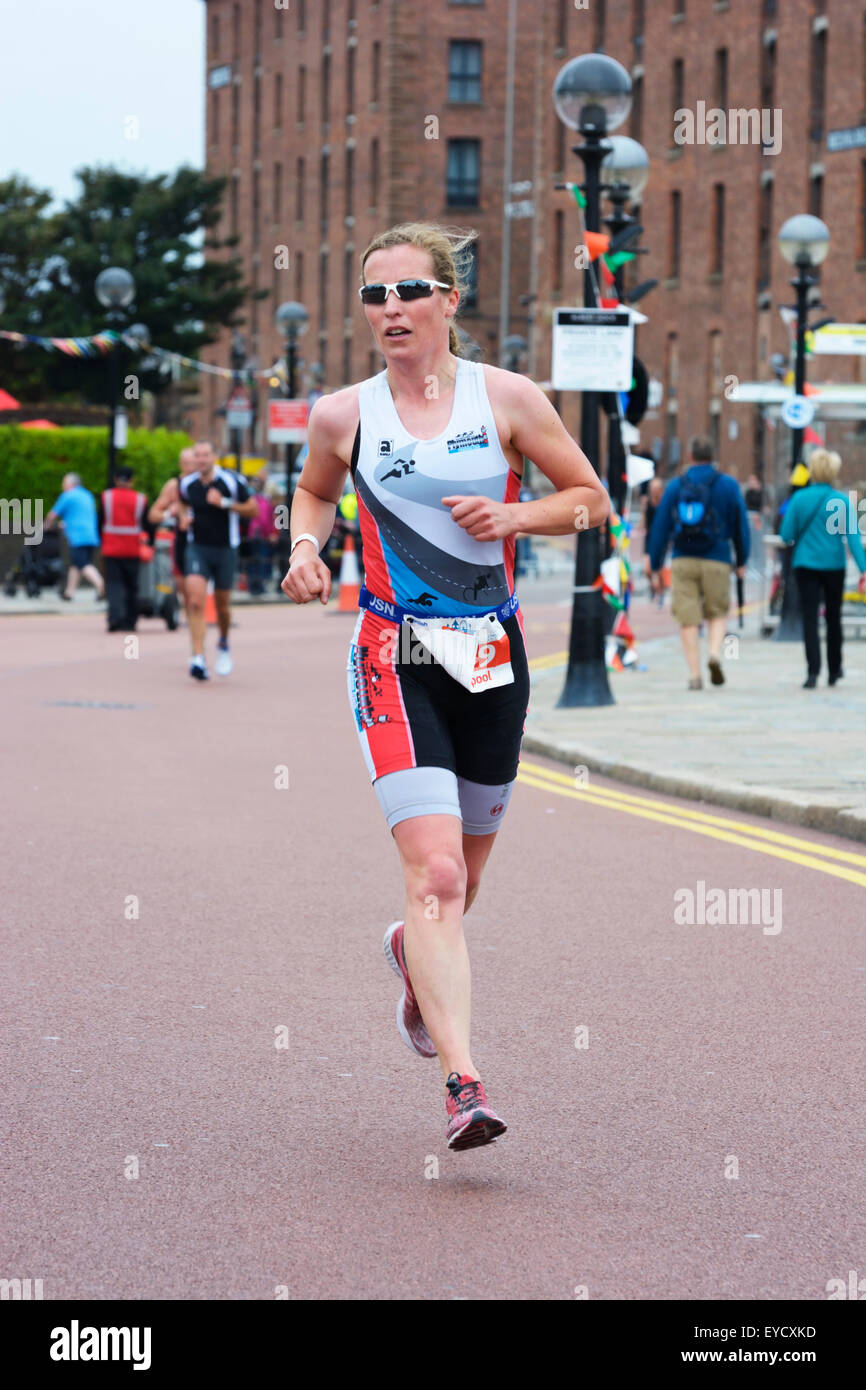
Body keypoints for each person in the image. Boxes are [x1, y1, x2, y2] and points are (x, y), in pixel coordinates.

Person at [280, 221, 609, 1151]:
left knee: (462, 884)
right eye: (374, 295)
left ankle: (409, 956)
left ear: (449, 301)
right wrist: (307, 543)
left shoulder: (506, 398)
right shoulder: (344, 414)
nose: (390, 310)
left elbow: (591, 499)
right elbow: (311, 491)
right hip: (395, 652)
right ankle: (465, 1084)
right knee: (433, 874)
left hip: (492, 656)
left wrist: (515, 512)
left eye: (409, 291)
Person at [648, 435, 750, 690]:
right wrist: (742, 558)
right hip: (717, 557)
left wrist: (656, 561)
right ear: (713, 456)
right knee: (717, 613)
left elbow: (660, 526)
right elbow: (741, 524)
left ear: (691, 456)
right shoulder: (728, 485)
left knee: (688, 618)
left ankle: (694, 674)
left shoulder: (676, 485)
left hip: (684, 558)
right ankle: (714, 655)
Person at [779, 448, 866, 688]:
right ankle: (835, 669)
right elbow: (854, 538)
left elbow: (786, 534)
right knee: (833, 618)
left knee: (810, 617)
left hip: (806, 564)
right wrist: (864, 569)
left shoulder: (799, 499)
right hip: (834, 565)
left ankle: (812, 671)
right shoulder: (841, 501)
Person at [177, 440, 258, 680]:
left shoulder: (231, 481)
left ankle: (223, 642)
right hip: (197, 548)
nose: (201, 459)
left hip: (225, 549)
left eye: (205, 455)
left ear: (214, 456)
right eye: (197, 455)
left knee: (222, 606)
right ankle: (197, 657)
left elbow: (253, 510)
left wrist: (223, 503)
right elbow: (182, 502)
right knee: (194, 601)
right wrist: (183, 517)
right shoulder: (187, 483)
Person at [148, 446, 197, 617]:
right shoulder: (174, 485)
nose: (190, 467)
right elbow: (153, 514)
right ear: (180, 464)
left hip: (205, 538)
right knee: (181, 579)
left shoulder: (206, 482)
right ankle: (189, 611)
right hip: (182, 538)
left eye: (193, 462)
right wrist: (170, 512)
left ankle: (201, 613)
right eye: (186, 463)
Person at [99, 465, 149, 632]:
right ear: (132, 480)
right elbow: (148, 526)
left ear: (115, 479)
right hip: (132, 549)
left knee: (113, 585)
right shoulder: (141, 499)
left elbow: (100, 522)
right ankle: (130, 621)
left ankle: (114, 618)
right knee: (131, 586)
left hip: (111, 548)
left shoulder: (106, 497)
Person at [45, 473, 104, 602]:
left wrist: (46, 526)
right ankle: (69, 593)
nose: (62, 485)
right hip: (92, 536)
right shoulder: (87, 495)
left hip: (78, 536)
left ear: (71, 484)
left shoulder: (68, 495)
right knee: (76, 565)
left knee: (83, 564)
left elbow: (53, 515)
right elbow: (80, 515)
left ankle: (101, 585)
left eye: (64, 482)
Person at [245, 473, 278, 595]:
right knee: (260, 561)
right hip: (260, 535)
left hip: (254, 534)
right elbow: (264, 520)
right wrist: (269, 534)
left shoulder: (255, 500)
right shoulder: (263, 502)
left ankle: (255, 586)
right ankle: (258, 587)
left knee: (255, 561)